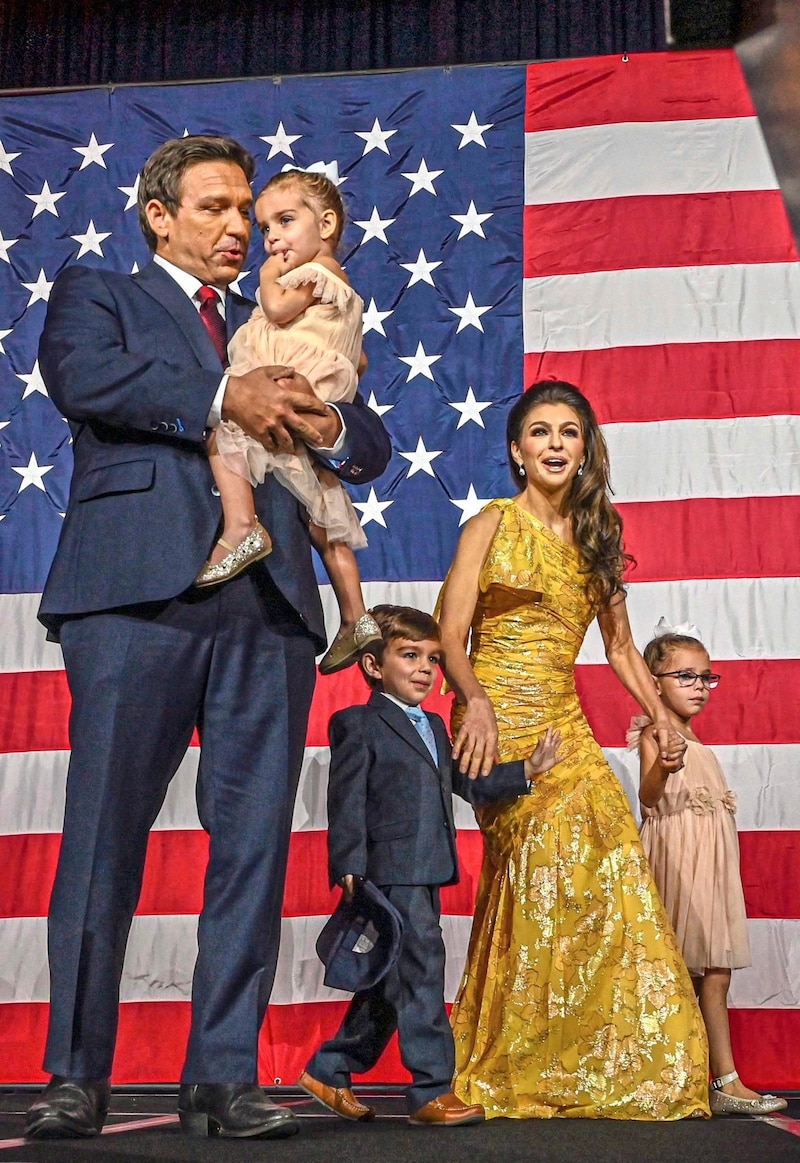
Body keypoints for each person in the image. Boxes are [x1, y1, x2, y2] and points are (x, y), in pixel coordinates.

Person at [24, 135, 392, 1142]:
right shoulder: (99, 291)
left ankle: (222, 1074)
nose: (240, 228)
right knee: (102, 839)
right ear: (159, 214)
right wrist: (224, 394)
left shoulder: (289, 307)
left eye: (248, 211)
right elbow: (85, 379)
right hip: (133, 599)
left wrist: (327, 425)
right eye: (217, 207)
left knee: (252, 852)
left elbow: (369, 439)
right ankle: (76, 1076)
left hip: (267, 609)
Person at [435, 380, 711, 1120]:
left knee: (613, 857)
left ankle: (603, 1059)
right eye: (540, 432)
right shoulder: (489, 523)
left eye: (569, 431)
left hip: (564, 721)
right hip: (501, 728)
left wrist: (661, 718)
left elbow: (620, 645)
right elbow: (450, 633)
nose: (555, 443)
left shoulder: (597, 533)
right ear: (516, 450)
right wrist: (478, 702)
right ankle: (516, 1056)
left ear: (585, 447)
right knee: (533, 877)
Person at [298, 605, 564, 1127]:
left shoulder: (437, 729)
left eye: (434, 659)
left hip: (426, 866)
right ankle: (430, 1091)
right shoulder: (358, 722)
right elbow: (346, 798)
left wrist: (525, 770)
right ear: (374, 666)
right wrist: (349, 863)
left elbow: (468, 784)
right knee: (422, 971)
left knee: (393, 979)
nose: (425, 669)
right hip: (388, 870)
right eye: (410, 655)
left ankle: (330, 1069)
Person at [197, 168, 381, 675]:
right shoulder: (338, 288)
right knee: (323, 509)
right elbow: (359, 361)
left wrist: (264, 278)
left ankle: (241, 527)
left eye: (284, 221)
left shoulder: (307, 275)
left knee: (224, 430)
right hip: (315, 377)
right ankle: (356, 615)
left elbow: (276, 309)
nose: (271, 238)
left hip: (290, 382)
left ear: (326, 224)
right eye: (265, 229)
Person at [631, 626, 787, 1116]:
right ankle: (677, 1076)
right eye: (685, 676)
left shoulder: (697, 740)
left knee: (716, 973)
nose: (698, 686)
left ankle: (720, 1079)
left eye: (706, 677)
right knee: (676, 971)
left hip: (709, 864)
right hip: (678, 861)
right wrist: (665, 768)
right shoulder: (658, 733)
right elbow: (649, 796)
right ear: (654, 682)